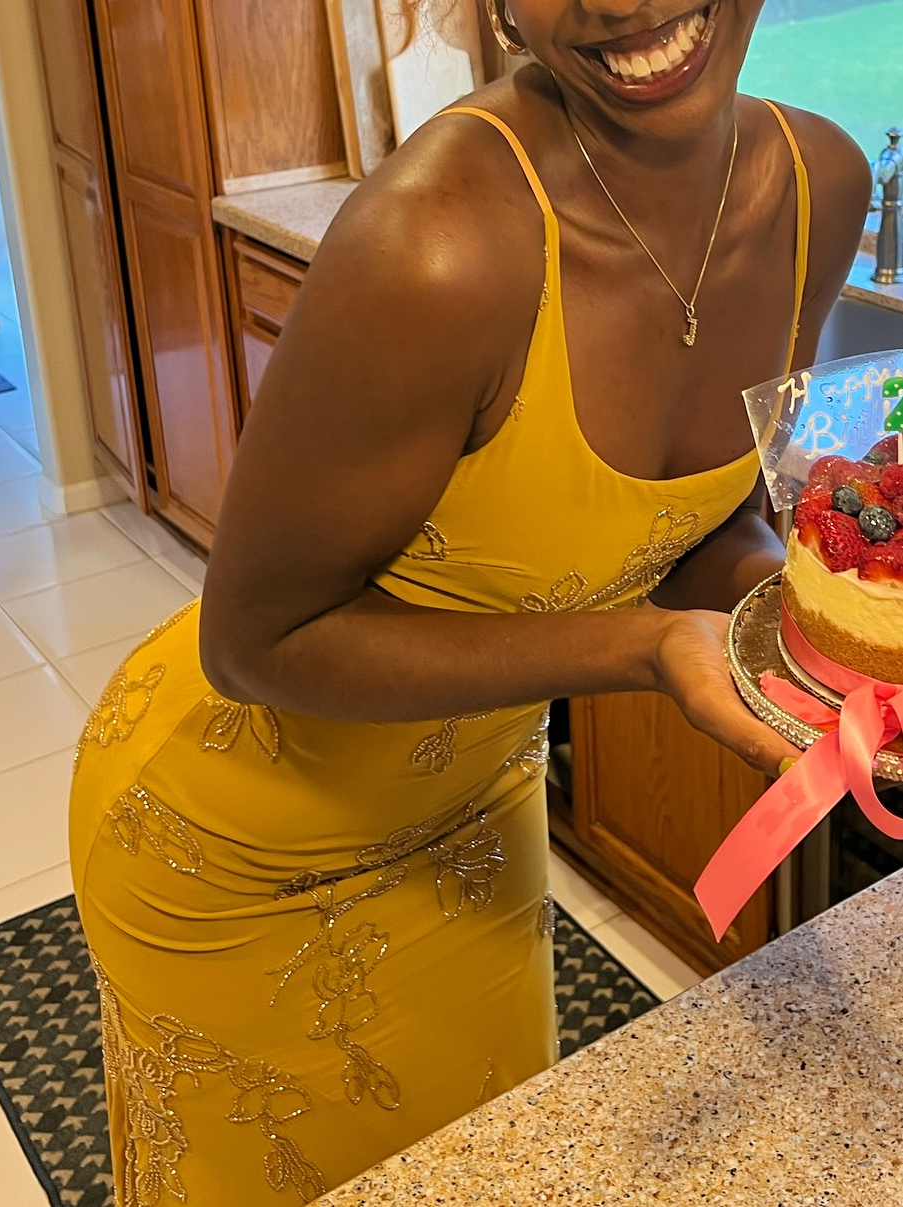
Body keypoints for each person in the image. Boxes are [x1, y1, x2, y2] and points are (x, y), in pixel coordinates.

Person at [69, 0, 871, 1201]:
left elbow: (704, 524)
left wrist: (821, 623)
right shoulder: (433, 244)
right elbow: (255, 640)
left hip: (472, 810)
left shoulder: (819, 187)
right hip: (240, 847)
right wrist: (643, 648)